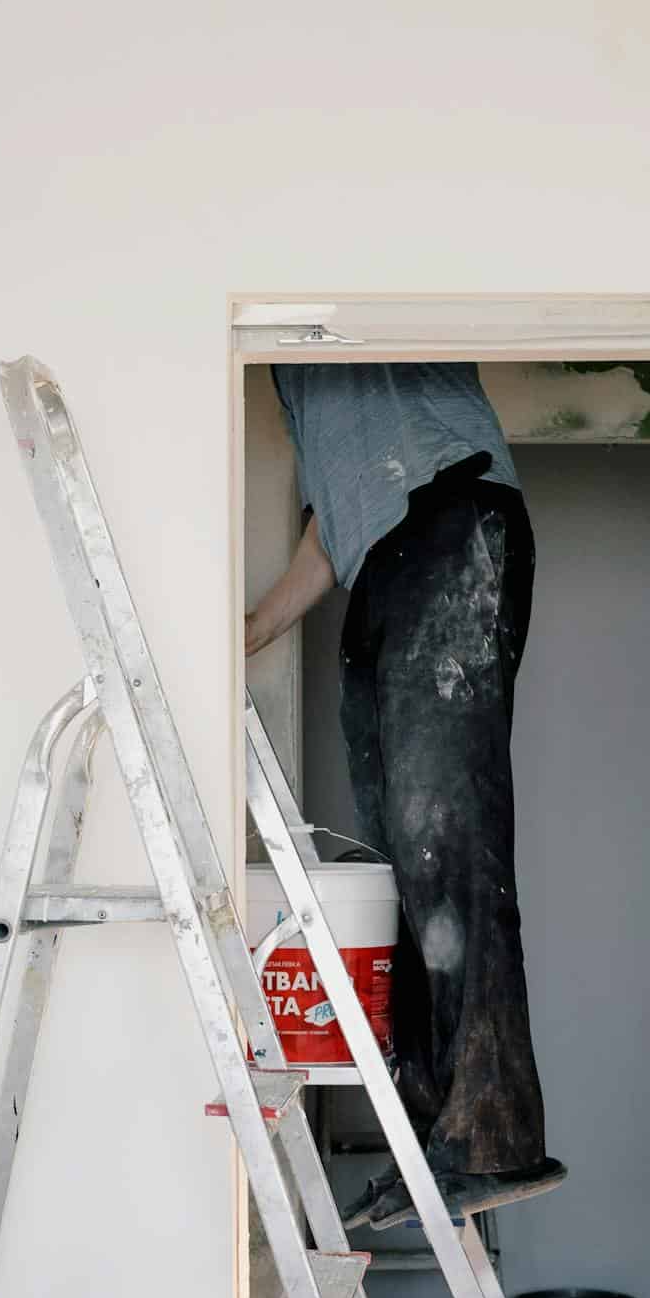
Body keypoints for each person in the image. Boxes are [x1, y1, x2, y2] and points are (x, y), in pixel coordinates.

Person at [246, 362, 564, 1232]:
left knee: (446, 846)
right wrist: (256, 627)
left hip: (448, 523)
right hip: (380, 565)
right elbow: (333, 524)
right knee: (408, 866)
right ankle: (437, 1140)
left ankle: (493, 1139)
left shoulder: (345, 316)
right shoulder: (291, 373)